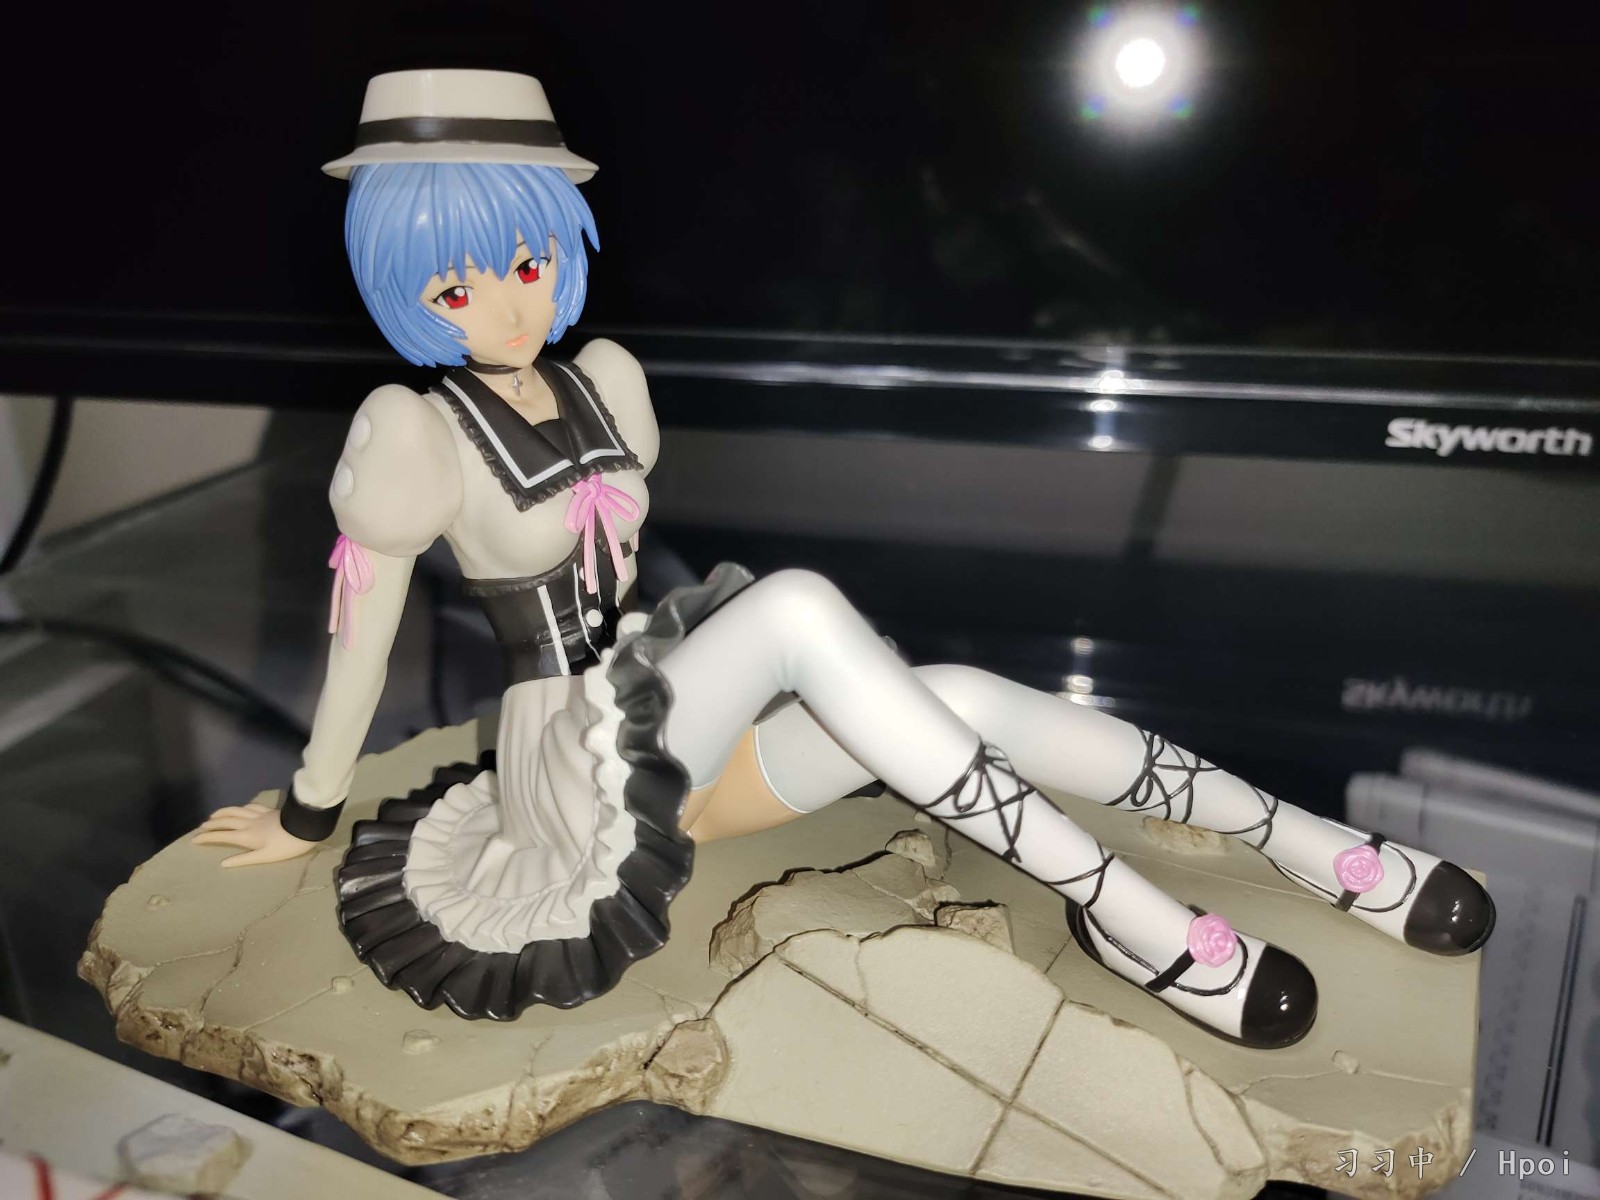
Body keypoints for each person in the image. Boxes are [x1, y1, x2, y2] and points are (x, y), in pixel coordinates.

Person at [198, 70, 1493, 1050]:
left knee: (960, 697)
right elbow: (361, 632)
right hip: (575, 776)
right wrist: (308, 810)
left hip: (671, 733)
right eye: (457, 287)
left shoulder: (606, 378)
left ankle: (1308, 844)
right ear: (407, 289)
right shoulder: (412, 431)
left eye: (529, 261)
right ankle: (1132, 915)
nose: (510, 303)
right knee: (796, 605)